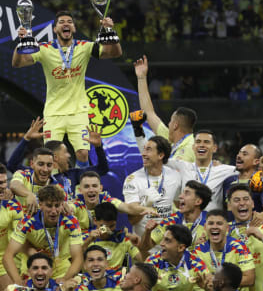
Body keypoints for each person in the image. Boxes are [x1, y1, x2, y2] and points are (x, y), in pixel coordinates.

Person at [13, 11, 122, 168]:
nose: (66, 24)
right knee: (51, 156)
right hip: (53, 113)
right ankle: (57, 190)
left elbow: (115, 52)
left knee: (83, 153)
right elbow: (18, 63)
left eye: (69, 22)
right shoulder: (44, 49)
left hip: (79, 112)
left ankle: (78, 188)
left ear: (74, 28)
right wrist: (21, 43)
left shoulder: (85, 47)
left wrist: (111, 31)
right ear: (55, 29)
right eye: (61, 22)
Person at [3, 185, 83, 284]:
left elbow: (78, 257)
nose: (54, 211)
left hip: (60, 269)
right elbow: (7, 256)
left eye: (57, 205)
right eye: (49, 206)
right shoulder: (27, 222)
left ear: (63, 204)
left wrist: (65, 280)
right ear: (40, 204)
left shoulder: (71, 222)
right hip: (33, 268)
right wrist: (18, 283)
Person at [133, 55, 196, 163]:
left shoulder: (190, 147)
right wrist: (141, 78)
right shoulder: (170, 139)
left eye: (171, 121)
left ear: (175, 125)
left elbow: (172, 171)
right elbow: (149, 112)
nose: (168, 124)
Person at [122, 135, 182, 236]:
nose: (143, 154)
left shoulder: (175, 176)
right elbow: (132, 220)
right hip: (143, 246)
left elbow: (179, 205)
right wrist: (145, 205)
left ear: (160, 155)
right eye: (144, 149)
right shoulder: (132, 180)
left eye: (148, 150)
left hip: (168, 245)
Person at [168, 130, 236, 211]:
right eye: (198, 142)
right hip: (188, 221)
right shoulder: (182, 166)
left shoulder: (225, 170)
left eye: (206, 142)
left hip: (212, 222)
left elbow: (249, 171)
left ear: (214, 148)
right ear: (193, 147)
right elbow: (157, 160)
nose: (202, 145)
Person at [74, 171, 154, 234]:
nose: (91, 190)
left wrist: (148, 207)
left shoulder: (107, 200)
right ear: (80, 190)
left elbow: (129, 208)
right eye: (86, 187)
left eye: (94, 186)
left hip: (103, 244)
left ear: (100, 188)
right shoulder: (74, 206)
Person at [141, 179, 212, 250]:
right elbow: (145, 248)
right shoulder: (171, 220)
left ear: (198, 201)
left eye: (186, 193)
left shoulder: (211, 223)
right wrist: (148, 232)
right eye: (182, 193)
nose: (180, 196)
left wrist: (204, 249)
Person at [81, 202, 143, 271]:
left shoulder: (123, 238)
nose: (108, 230)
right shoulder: (85, 238)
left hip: (117, 280)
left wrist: (140, 245)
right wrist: (87, 242)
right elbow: (74, 263)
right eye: (104, 227)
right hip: (91, 279)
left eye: (112, 226)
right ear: (95, 221)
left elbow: (144, 259)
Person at [10, 147, 58, 215]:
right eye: (41, 164)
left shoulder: (56, 186)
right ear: (32, 164)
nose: (45, 169)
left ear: (53, 166)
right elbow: (14, 185)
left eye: (49, 165)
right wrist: (29, 194)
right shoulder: (23, 175)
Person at [222, 144, 263, 209]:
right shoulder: (228, 181)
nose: (238, 156)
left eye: (244, 154)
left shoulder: (261, 182)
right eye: (239, 153)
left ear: (256, 161)